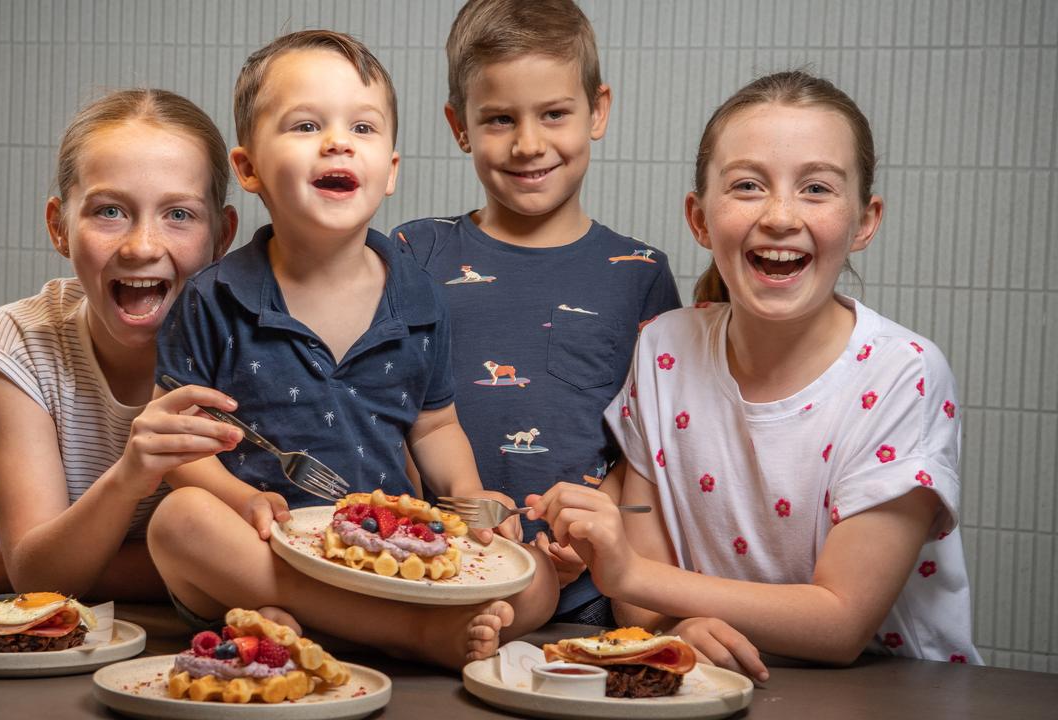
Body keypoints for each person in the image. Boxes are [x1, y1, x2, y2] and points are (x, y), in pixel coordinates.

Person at [527, 71, 982, 680]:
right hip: (717, 683)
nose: (779, 215)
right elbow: (639, 602)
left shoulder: (905, 374)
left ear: (865, 220)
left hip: (892, 691)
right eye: (747, 185)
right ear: (700, 218)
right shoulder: (664, 349)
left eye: (817, 188)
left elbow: (842, 624)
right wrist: (679, 629)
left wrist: (632, 574)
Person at [147, 30, 558, 669]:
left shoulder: (419, 297)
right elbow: (177, 447)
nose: (338, 142)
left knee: (538, 580)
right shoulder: (214, 297)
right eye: (306, 124)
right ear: (248, 167)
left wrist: (474, 502)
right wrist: (238, 500)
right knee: (179, 522)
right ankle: (405, 635)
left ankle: (316, 627)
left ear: (390, 171)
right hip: (267, 547)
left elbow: (437, 424)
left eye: (363, 129)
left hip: (392, 554)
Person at [390, 0, 681, 628]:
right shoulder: (415, 252)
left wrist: (588, 530)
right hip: (432, 579)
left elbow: (646, 444)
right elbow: (385, 405)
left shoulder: (641, 272)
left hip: (586, 598)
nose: (528, 144)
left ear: (597, 110)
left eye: (554, 114)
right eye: (499, 119)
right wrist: (451, 520)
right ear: (458, 125)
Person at [0, 89, 249, 603]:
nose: (142, 246)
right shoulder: (22, 343)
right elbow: (42, 576)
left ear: (221, 236)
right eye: (110, 211)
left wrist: (6, 569)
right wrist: (128, 477)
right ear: (59, 227)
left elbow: (266, 554)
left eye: (178, 214)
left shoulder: (257, 341)